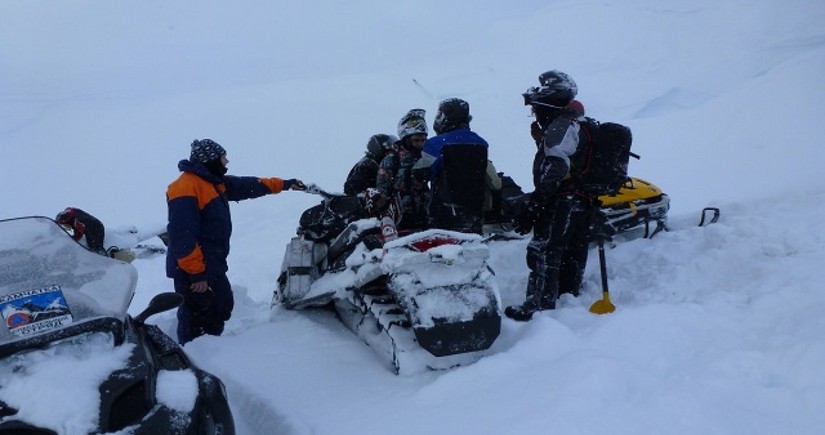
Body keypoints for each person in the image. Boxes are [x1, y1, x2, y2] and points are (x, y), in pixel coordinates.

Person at [166, 139, 305, 344]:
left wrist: (284, 184)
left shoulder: (213, 182)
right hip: (193, 268)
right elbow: (182, 238)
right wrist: (196, 275)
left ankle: (211, 347)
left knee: (220, 305)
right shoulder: (185, 188)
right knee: (197, 312)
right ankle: (192, 354)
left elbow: (250, 185)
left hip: (211, 263)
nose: (227, 161)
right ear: (210, 159)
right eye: (223, 158)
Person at [505, 70, 596, 322]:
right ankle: (568, 298)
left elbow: (557, 165)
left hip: (563, 200)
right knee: (573, 251)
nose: (534, 113)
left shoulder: (560, 125)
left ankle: (538, 307)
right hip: (583, 200)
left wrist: (536, 201)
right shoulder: (579, 122)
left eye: (536, 108)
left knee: (544, 251)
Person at [414, 98, 501, 233]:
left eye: (440, 115)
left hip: (443, 216)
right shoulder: (480, 143)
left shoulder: (436, 143)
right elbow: (493, 181)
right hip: (474, 216)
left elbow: (421, 173)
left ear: (447, 117)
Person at [375, 109, 430, 234]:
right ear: (406, 139)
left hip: (426, 217)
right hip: (400, 220)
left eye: (423, 140)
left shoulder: (426, 157)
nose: (420, 144)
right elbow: (382, 191)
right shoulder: (392, 160)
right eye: (416, 140)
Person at [55, 207, 136, 262]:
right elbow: (79, 232)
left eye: (64, 225)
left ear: (65, 220)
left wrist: (74, 238)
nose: (65, 227)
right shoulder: (74, 217)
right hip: (96, 226)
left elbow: (82, 229)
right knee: (96, 249)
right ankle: (115, 256)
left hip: (94, 228)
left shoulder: (77, 220)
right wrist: (72, 239)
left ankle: (122, 257)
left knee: (96, 250)